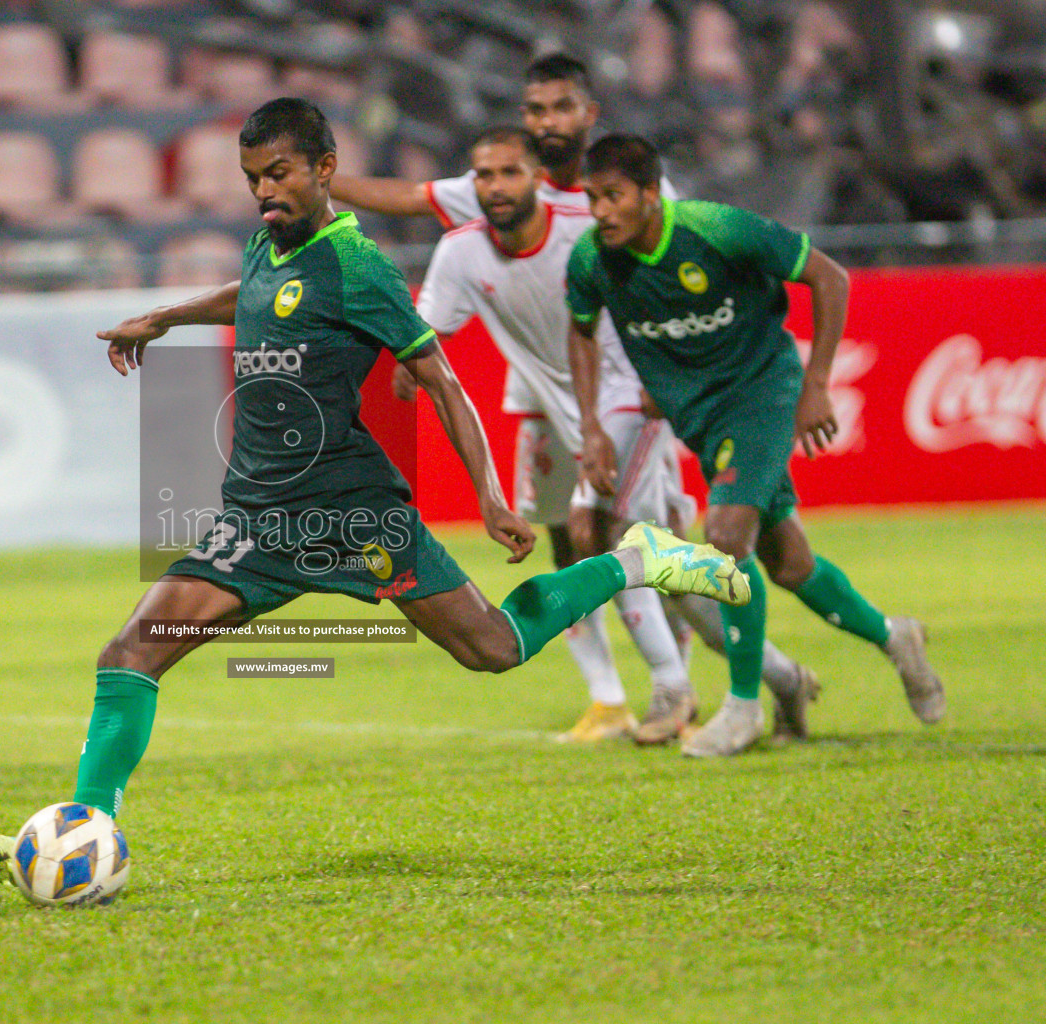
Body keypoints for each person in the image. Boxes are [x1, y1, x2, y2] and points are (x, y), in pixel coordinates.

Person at [0, 99, 749, 884]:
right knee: (130, 655)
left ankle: (636, 560)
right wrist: (165, 317)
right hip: (257, 519)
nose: (265, 192)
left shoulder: (358, 266)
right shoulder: (271, 245)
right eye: (252, 179)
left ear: (325, 170)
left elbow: (441, 381)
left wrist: (491, 496)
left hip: (353, 514)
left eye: (279, 175)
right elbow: (253, 294)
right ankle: (80, 832)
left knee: (493, 648)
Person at [333, 53, 817, 744]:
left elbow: (675, 272)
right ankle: (769, 676)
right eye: (536, 109)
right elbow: (411, 199)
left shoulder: (619, 201)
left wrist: (675, 373)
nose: (546, 123)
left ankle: (679, 690)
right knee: (624, 553)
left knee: (619, 538)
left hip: (631, 390)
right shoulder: (486, 202)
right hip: (549, 397)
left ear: (586, 117)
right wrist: (325, 188)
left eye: (559, 108)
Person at [565, 132, 945, 758]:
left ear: (651, 193)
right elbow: (580, 334)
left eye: (614, 196)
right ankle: (893, 636)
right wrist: (591, 428)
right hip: (700, 416)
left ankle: (740, 707)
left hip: (763, 392)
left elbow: (830, 277)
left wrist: (817, 384)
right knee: (790, 564)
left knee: (725, 534)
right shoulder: (590, 261)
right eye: (592, 197)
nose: (601, 211)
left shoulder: (717, 229)